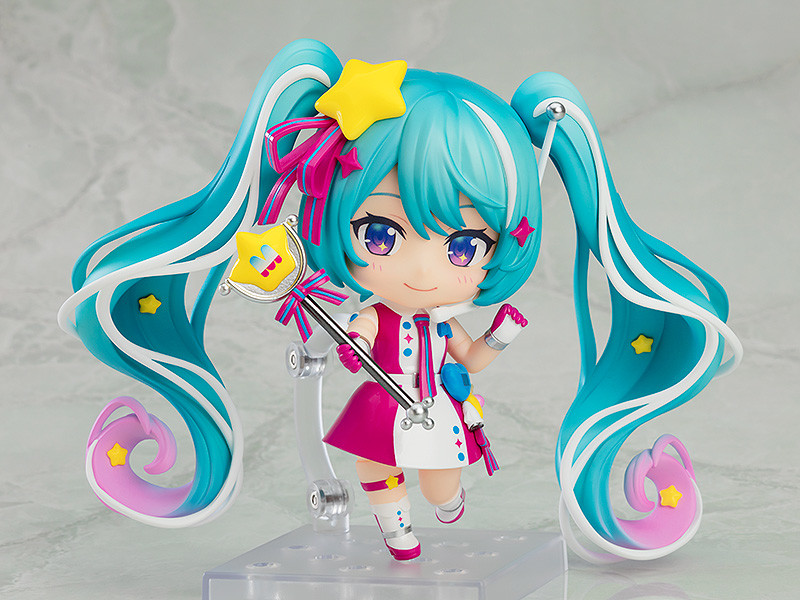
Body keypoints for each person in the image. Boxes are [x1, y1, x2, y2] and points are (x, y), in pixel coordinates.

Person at [58, 39, 741, 562]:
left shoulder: (444, 325)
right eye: (380, 234)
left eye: (464, 246)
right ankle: (397, 534)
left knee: (442, 479)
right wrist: (342, 337)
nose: (420, 269)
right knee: (377, 469)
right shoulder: (368, 310)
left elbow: (471, 356)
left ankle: (444, 505)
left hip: (436, 404)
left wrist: (497, 337)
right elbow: (349, 343)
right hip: (383, 403)